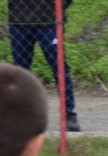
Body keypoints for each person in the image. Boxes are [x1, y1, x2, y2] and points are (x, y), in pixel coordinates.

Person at [8, 0, 80, 132]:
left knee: (59, 67)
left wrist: (60, 5)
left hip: (50, 21)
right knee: (20, 72)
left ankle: (69, 115)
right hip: (19, 20)